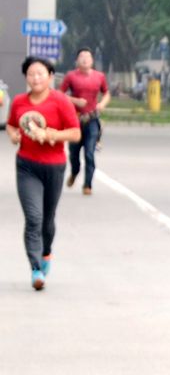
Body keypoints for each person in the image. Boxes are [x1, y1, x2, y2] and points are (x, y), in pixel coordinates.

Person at [5, 56, 81, 290]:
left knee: (47, 219)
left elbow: (75, 133)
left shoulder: (61, 101)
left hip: (54, 166)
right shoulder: (19, 101)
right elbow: (11, 124)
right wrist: (13, 135)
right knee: (33, 218)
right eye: (31, 74)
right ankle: (36, 269)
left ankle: (46, 252)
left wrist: (50, 135)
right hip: (27, 166)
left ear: (50, 76)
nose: (35, 78)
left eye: (40, 73)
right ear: (26, 77)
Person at [59, 47, 111, 195]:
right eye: (82, 56)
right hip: (75, 120)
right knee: (74, 154)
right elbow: (59, 94)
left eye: (87, 56)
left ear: (92, 60)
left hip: (92, 119)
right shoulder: (70, 76)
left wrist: (102, 104)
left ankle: (88, 185)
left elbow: (106, 93)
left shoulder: (99, 76)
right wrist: (75, 100)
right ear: (77, 60)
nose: (85, 59)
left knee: (89, 153)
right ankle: (74, 172)